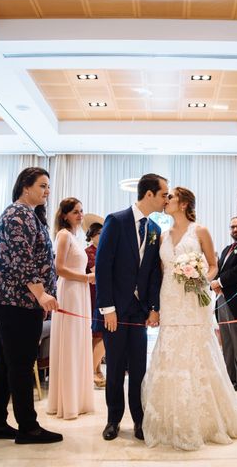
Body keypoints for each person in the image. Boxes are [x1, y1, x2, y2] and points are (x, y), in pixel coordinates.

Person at [142, 187, 237, 450]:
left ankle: (205, 419)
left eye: (172, 198)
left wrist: (201, 279)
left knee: (197, 350)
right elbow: (159, 271)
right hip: (170, 297)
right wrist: (154, 306)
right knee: (171, 349)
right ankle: (170, 418)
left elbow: (213, 265)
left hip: (193, 298)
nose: (166, 201)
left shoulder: (200, 231)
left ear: (183, 204)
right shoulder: (162, 235)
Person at [0, 167, 62, 445]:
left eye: (48, 186)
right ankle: (28, 427)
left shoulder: (28, 215)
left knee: (6, 364)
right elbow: (22, 261)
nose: (47, 191)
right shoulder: (17, 214)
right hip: (17, 301)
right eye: (42, 185)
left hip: (18, 300)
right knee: (21, 364)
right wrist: (41, 295)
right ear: (25, 187)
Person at [95, 173, 166, 442]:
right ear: (149, 194)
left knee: (139, 369)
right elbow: (103, 267)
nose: (166, 199)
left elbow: (152, 275)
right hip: (114, 310)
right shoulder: (116, 220)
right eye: (163, 194)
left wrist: (154, 307)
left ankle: (139, 420)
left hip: (138, 312)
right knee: (113, 368)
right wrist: (107, 308)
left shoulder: (155, 230)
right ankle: (113, 419)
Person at [47, 197, 95, 420]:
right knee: (70, 341)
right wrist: (86, 277)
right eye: (75, 211)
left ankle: (79, 398)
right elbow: (60, 269)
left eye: (81, 211)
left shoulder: (75, 237)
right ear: (65, 215)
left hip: (80, 292)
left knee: (79, 342)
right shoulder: (63, 235)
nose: (80, 215)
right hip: (70, 291)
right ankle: (66, 401)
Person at [210, 216, 237, 391]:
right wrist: (215, 283)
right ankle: (230, 376)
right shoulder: (227, 249)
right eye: (232, 227)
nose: (235, 229)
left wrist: (219, 282)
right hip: (223, 299)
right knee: (226, 340)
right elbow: (219, 270)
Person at [85, 222, 106, 388]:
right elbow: (97, 273)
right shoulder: (89, 252)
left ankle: (96, 369)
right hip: (94, 295)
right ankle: (93, 370)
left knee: (99, 334)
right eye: (98, 233)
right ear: (92, 235)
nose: (101, 236)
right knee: (97, 334)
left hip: (103, 294)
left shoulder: (105, 250)